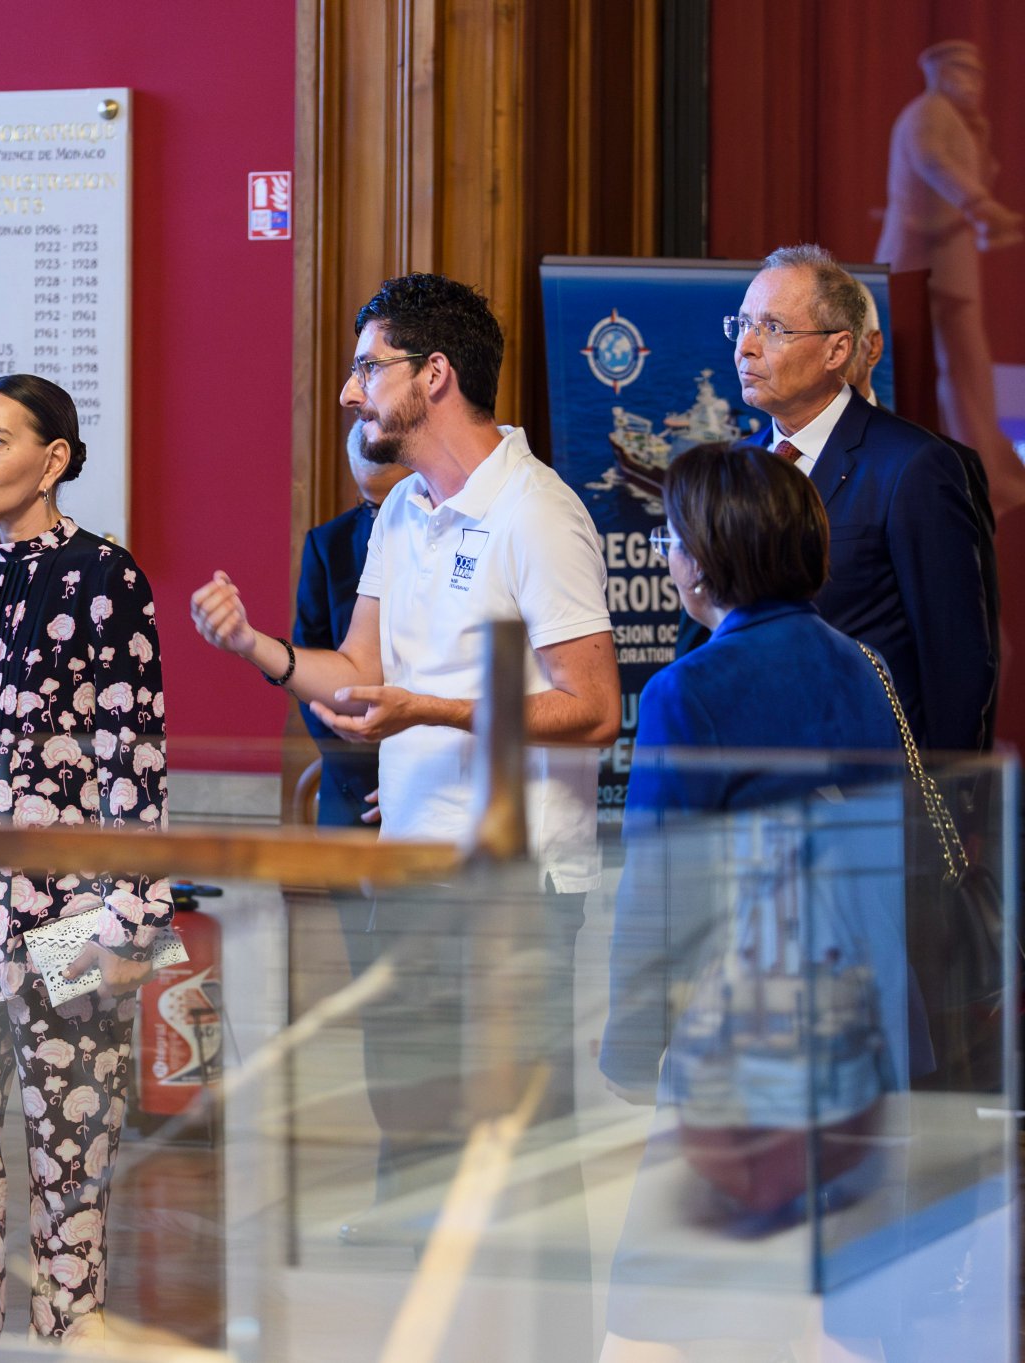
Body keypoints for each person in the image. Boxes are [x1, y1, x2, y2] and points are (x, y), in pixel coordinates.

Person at [190, 273, 618, 1214]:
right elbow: (356, 671)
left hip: (513, 888)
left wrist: (428, 710)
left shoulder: (537, 513)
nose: (350, 392)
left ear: (434, 375)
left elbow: (592, 707)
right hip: (410, 873)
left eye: (367, 368)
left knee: (519, 1163)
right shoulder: (400, 511)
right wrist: (256, 646)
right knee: (416, 1141)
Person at [600, 441, 924, 1361]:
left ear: (705, 558)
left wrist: (632, 1041)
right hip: (865, 1018)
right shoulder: (863, 666)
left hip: (748, 1029)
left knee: (658, 1319)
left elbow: (661, 892)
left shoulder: (689, 689)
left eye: (670, 538)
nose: (666, 554)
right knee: (830, 1308)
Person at [0, 373, 171, 1341]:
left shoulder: (107, 578)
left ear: (52, 460)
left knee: (73, 1147)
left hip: (74, 913)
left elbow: (134, 759)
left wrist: (132, 922)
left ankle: (71, 1333)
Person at [679, 244, 993, 754]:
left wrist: (943, 793)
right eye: (742, 325)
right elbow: (697, 645)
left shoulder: (912, 466)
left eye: (773, 328)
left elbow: (955, 657)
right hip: (748, 774)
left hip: (868, 782)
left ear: (837, 350)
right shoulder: (734, 469)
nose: (746, 348)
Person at [838, 278, 999, 749]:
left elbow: (963, 647)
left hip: (889, 768)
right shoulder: (749, 464)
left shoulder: (931, 463)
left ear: (871, 347)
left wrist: (958, 781)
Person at [876, 39, 1025, 517]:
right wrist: (980, 204)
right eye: (961, 73)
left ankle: (979, 466)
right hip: (917, 261)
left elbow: (970, 172)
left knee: (967, 365)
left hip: (952, 260)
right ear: (938, 75)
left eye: (977, 75)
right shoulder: (928, 112)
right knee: (911, 365)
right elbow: (935, 162)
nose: (972, 84)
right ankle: (912, 471)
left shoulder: (962, 119)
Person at [293, 418, 409, 827]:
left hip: (431, 778)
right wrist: (363, 774)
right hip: (352, 785)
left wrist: (406, 776)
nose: (382, 520)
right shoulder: (329, 545)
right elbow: (310, 668)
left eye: (394, 501)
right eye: (370, 505)